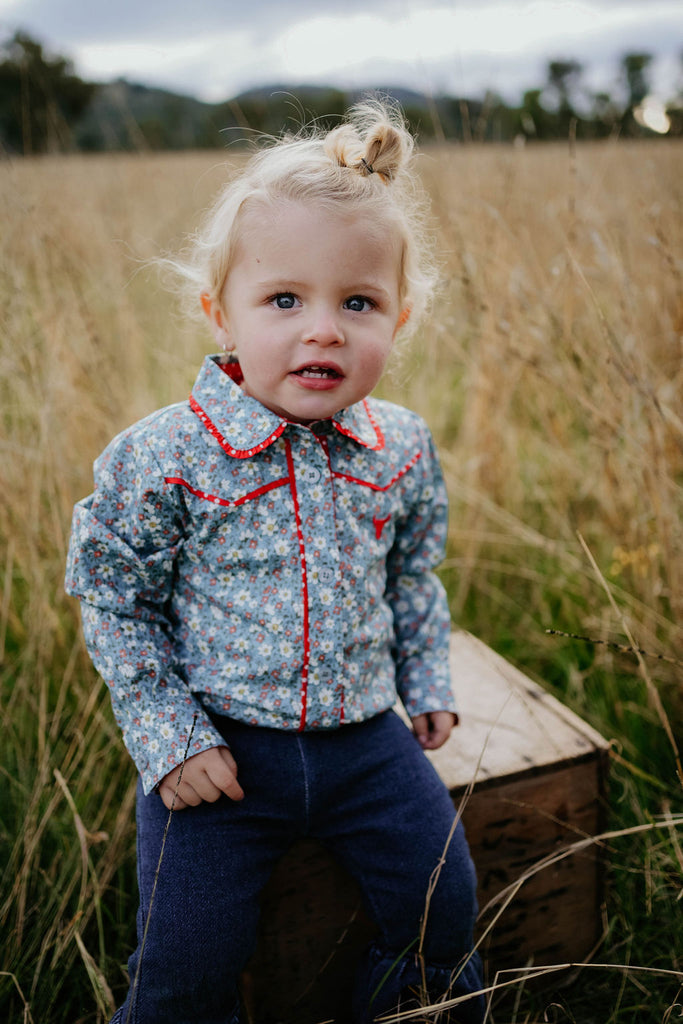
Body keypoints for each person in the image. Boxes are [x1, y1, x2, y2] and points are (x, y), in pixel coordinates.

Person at [65, 99, 485, 1024]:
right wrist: (170, 736)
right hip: (224, 751)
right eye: (284, 300)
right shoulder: (167, 455)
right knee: (188, 961)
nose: (324, 330)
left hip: (367, 743)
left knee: (440, 916)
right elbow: (114, 597)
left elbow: (412, 574)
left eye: (358, 303)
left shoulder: (400, 448)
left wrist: (423, 677)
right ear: (222, 312)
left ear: (399, 319)